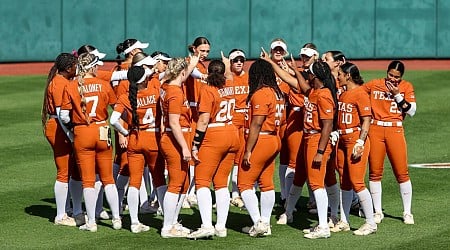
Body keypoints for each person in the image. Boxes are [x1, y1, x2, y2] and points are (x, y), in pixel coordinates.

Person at [262, 50, 338, 239]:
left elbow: (328, 125)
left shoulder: (324, 95)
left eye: (309, 73)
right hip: (308, 139)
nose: (307, 75)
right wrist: (277, 65)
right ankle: (290, 213)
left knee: (316, 184)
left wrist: (320, 151)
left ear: (316, 75)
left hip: (317, 140)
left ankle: (323, 227)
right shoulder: (314, 91)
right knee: (300, 177)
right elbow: (293, 81)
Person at [60, 53, 121, 232]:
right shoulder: (103, 84)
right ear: (93, 67)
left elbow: (64, 116)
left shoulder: (72, 86)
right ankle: (116, 219)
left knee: (88, 181)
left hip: (82, 132)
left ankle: (92, 222)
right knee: (108, 178)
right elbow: (117, 109)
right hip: (102, 130)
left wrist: (74, 128)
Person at [186, 59, 239, 239]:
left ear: (208, 72)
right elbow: (230, 76)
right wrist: (227, 64)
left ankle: (207, 225)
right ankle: (221, 227)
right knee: (222, 183)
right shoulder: (230, 84)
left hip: (214, 135)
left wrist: (195, 144)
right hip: (232, 132)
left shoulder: (207, 89)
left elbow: (203, 120)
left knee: (201, 182)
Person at [110, 66, 166, 233]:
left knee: (134, 182)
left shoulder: (125, 97)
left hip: (135, 139)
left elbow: (113, 120)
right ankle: (168, 220)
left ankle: (134, 222)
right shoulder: (156, 93)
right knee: (159, 180)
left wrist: (125, 132)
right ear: (145, 79)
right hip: (154, 140)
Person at [362, 60, 416, 225]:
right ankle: (377, 211)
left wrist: (398, 95)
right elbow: (358, 93)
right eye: (390, 75)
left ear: (401, 77)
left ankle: (407, 212)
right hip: (375, 129)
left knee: (402, 173)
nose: (392, 79)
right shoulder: (375, 84)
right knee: (375, 172)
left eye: (396, 77)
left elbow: (412, 111)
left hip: (395, 129)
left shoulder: (406, 86)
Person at [239, 59, 285, 237]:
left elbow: (257, 123)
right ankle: (265, 222)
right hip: (274, 139)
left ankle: (259, 223)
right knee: (266, 183)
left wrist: (249, 150)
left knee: (244, 183)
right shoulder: (277, 93)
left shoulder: (261, 93)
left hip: (263, 140)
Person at [333, 62, 377, 235]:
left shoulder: (360, 93)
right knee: (344, 180)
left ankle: (371, 223)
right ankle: (344, 220)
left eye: (340, 74)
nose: (338, 77)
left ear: (348, 76)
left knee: (357, 182)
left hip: (355, 140)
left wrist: (360, 142)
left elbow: (366, 119)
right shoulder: (344, 93)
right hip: (343, 139)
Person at [159, 57, 199, 238]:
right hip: (175, 140)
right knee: (175, 184)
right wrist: (184, 147)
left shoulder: (167, 86)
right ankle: (167, 227)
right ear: (182, 72)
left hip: (174, 137)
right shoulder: (175, 92)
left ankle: (173, 222)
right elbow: (174, 123)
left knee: (183, 181)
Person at [42, 52, 78, 227]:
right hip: (58, 128)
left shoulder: (62, 80)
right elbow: (59, 113)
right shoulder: (59, 83)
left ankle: (68, 208)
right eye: (74, 66)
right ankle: (61, 215)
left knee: (69, 169)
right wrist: (70, 135)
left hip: (60, 126)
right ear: (68, 68)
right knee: (64, 171)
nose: (76, 68)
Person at [183, 36, 211, 208]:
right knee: (190, 154)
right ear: (194, 49)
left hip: (199, 111)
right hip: (189, 112)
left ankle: (191, 191)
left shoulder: (202, 64)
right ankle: (186, 193)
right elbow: (191, 71)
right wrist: (203, 76)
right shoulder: (189, 62)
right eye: (202, 50)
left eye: (207, 51)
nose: (205, 54)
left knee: (198, 152)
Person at [228, 49, 248, 208]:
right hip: (232, 120)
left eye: (241, 59)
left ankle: (236, 193)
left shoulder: (249, 78)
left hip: (245, 120)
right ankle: (226, 191)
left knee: (241, 157)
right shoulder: (227, 78)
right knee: (229, 157)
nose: (239, 62)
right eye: (236, 60)